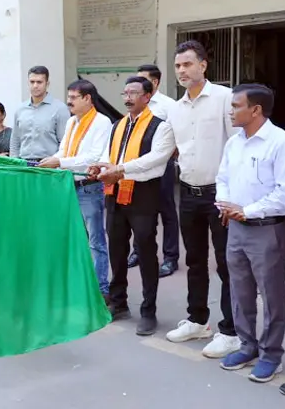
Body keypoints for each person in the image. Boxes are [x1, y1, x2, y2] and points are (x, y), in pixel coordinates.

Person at [215, 84, 285, 384]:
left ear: (256, 110)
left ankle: (271, 355)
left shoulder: (281, 142)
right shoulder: (234, 143)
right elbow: (222, 178)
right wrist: (225, 204)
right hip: (235, 227)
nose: (231, 111)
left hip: (267, 230)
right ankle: (247, 346)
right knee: (240, 291)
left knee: (271, 295)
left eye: (236, 106)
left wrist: (247, 211)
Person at [165, 40, 240, 359]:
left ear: (203, 65)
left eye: (187, 64)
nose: (181, 70)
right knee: (194, 261)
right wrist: (121, 169)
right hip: (189, 194)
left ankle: (231, 331)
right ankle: (197, 320)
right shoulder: (175, 108)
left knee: (227, 264)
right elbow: (163, 151)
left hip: (219, 196)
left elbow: (238, 148)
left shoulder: (224, 98)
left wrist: (232, 197)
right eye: (177, 65)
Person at [88, 76, 175, 336]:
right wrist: (101, 166)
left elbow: (155, 161)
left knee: (146, 251)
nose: (127, 98)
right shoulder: (118, 125)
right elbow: (109, 155)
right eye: (125, 93)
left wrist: (119, 170)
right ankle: (119, 302)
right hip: (114, 192)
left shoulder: (161, 127)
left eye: (134, 93)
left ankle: (149, 310)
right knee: (116, 249)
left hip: (143, 194)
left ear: (147, 97)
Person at [39, 79, 112, 302]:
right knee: (74, 238)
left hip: (89, 188)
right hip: (68, 187)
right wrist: (52, 160)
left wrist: (59, 163)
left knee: (96, 242)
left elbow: (94, 157)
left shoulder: (102, 122)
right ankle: (79, 284)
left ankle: (100, 290)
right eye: (68, 97)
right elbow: (63, 150)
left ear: (87, 99)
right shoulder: (72, 122)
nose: (68, 101)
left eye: (73, 97)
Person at [127, 65, 180, 278]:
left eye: (143, 79)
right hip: (136, 165)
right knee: (139, 211)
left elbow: (177, 134)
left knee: (167, 211)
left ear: (155, 82)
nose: (137, 83)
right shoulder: (134, 103)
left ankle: (170, 257)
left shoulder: (169, 106)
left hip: (161, 165)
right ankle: (139, 251)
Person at [10, 66, 68, 162]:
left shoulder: (60, 109)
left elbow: (64, 142)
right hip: (23, 163)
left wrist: (57, 162)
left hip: (48, 164)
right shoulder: (20, 109)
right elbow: (15, 139)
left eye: (39, 82)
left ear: (47, 84)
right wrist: (14, 161)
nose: (35, 86)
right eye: (32, 82)